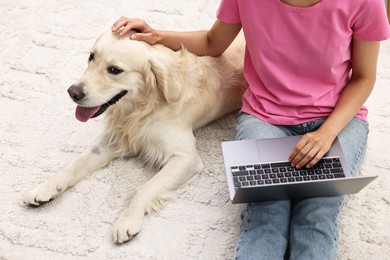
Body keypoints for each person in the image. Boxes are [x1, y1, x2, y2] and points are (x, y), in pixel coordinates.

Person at [112, 0, 390, 259]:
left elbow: (364, 78)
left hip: (338, 119)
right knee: (267, 212)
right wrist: (156, 35)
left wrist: (326, 133)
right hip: (266, 117)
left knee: (316, 214)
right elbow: (212, 42)